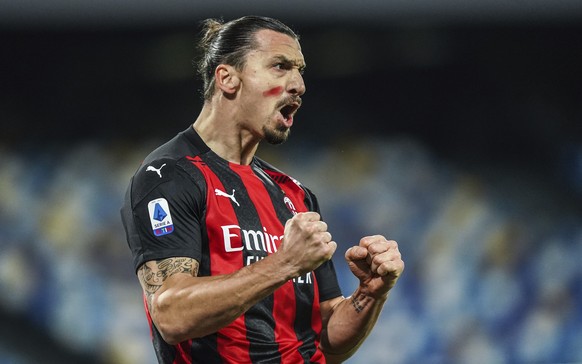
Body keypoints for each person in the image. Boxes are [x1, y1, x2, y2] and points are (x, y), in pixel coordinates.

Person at [120, 15, 404, 364]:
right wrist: (284, 262)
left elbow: (326, 340)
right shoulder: (170, 175)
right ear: (227, 78)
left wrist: (371, 294)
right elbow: (173, 315)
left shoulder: (294, 194)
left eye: (300, 71)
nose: (299, 84)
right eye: (280, 66)